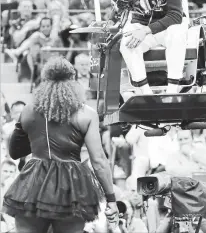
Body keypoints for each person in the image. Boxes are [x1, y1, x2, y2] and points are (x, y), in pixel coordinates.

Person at [2, 57, 119, 233]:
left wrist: (35, 138)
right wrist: (111, 199)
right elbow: (99, 161)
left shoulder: (28, 111)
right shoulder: (86, 114)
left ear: (44, 82)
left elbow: (14, 151)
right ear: (73, 81)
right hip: (70, 187)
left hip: (33, 185)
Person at [117, 0, 188, 96]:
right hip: (144, 26)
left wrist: (145, 31)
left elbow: (176, 16)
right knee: (126, 43)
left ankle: (172, 91)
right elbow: (130, 11)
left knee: (177, 33)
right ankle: (146, 94)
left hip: (168, 26)